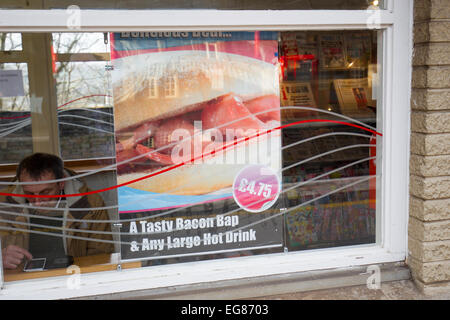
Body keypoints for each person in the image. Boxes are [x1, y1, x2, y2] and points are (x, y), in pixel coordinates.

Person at [0, 153, 114, 270]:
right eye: (29, 194)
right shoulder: (3, 204)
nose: (37, 202)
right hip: (20, 282)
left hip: (73, 278)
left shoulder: (90, 203)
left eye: (45, 192)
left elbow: (102, 257)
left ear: (61, 183)